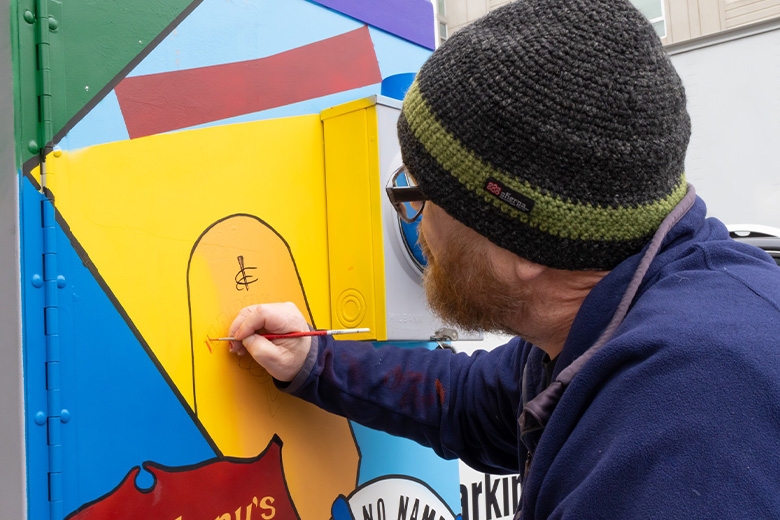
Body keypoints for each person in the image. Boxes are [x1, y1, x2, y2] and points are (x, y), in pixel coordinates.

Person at [229, 0, 780, 518]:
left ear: (519, 245)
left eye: (416, 195)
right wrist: (313, 363)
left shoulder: (686, 418)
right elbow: (473, 403)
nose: (412, 220)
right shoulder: (603, 320)